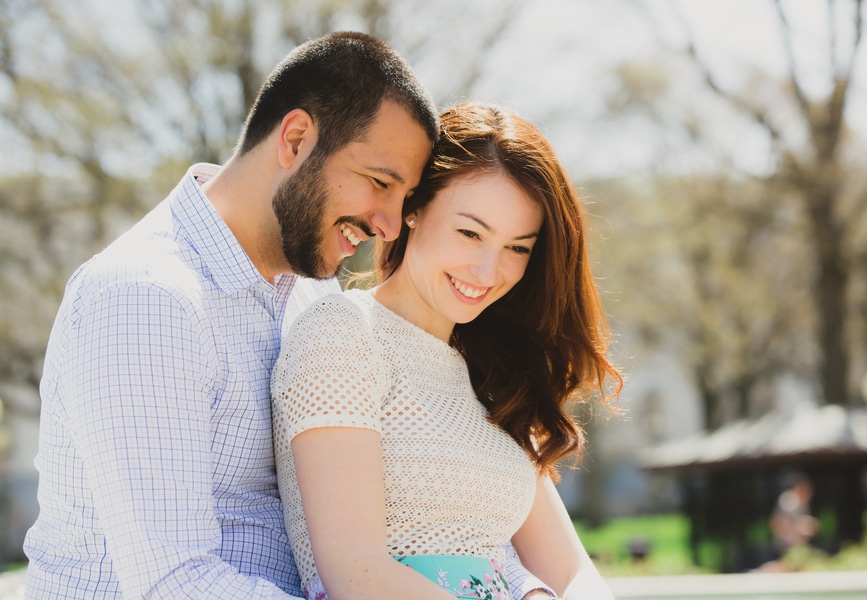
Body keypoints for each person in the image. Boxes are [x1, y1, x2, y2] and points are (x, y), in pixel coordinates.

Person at [23, 32, 439, 599]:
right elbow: (175, 582)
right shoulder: (145, 298)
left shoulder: (313, 304)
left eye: (404, 198)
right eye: (380, 183)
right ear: (294, 140)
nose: (389, 224)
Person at [271, 101, 622, 600]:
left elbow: (573, 574)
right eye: (469, 232)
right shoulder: (343, 333)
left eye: (517, 247)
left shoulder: (492, 376)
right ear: (413, 208)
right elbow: (357, 574)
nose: (486, 271)